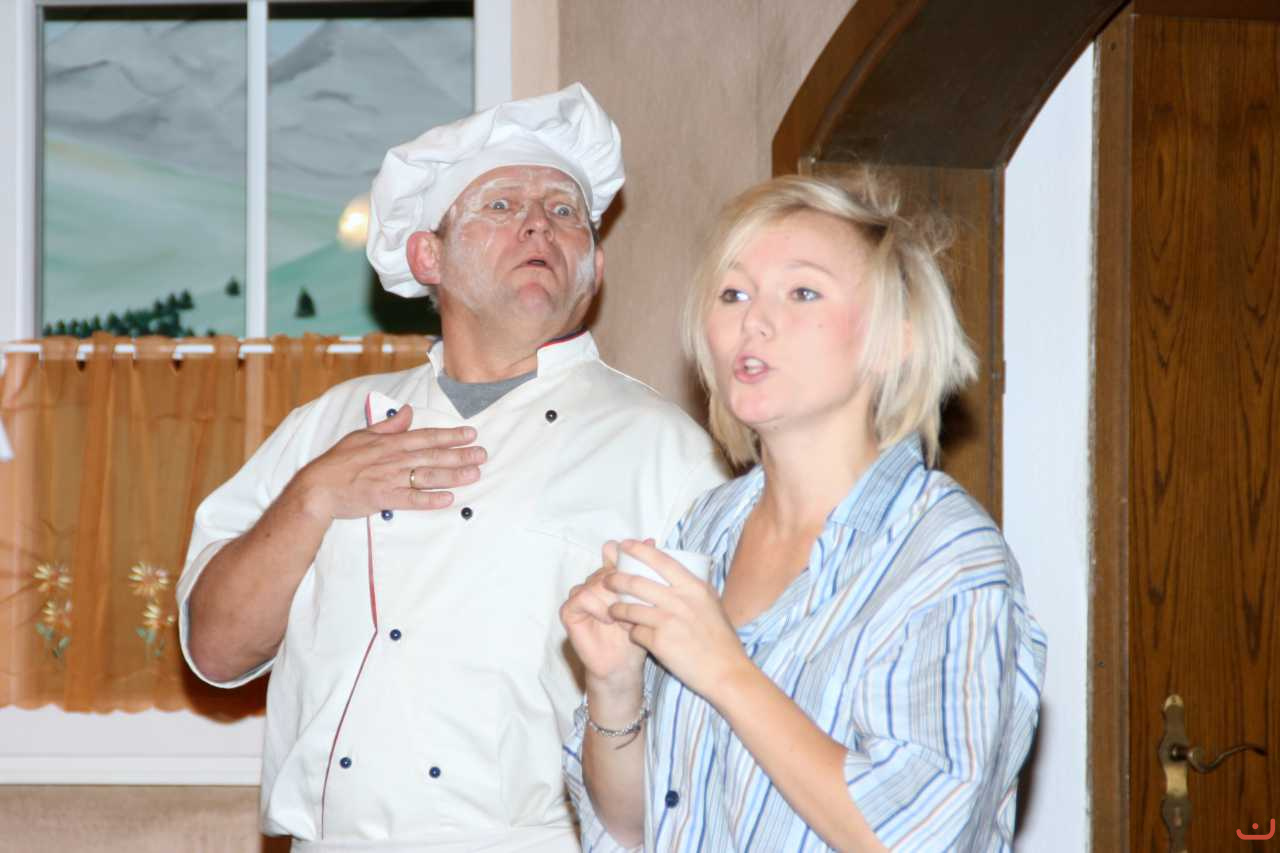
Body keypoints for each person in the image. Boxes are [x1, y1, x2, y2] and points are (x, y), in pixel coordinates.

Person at [176, 84, 725, 851]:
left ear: (594, 266)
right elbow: (215, 649)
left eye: (564, 211)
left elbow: (717, 713)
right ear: (427, 256)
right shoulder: (330, 425)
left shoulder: (666, 450)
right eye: (501, 205)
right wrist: (314, 497)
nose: (538, 223)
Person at [560, 173, 1047, 851]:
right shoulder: (706, 529)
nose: (753, 321)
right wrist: (614, 685)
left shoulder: (946, 559)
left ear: (894, 340)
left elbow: (913, 836)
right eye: (733, 294)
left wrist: (724, 669)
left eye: (803, 292)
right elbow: (635, 825)